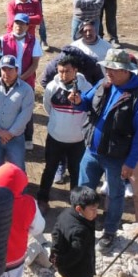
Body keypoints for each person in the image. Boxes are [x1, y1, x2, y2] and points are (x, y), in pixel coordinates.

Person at [72, 48, 138, 251]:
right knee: (83, 189)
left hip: (117, 158)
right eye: (107, 67)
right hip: (92, 151)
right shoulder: (103, 83)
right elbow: (88, 103)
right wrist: (79, 101)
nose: (108, 72)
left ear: (127, 71)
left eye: (113, 69)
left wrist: (130, 162)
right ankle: (83, 227)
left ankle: (109, 232)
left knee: (115, 195)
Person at [42, 53, 93, 201]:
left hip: (77, 140)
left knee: (76, 172)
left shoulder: (87, 87)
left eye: (67, 71)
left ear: (75, 70)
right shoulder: (52, 87)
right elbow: (48, 107)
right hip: (55, 137)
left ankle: (75, 202)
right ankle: (43, 198)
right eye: (60, 71)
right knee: (49, 169)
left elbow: (89, 110)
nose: (63, 75)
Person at [0, 56, 33, 171]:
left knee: (18, 169)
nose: (6, 73)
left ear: (17, 70)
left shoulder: (26, 90)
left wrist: (10, 133)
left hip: (16, 137)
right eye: (3, 69)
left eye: (10, 69)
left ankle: (20, 189)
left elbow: (25, 114)